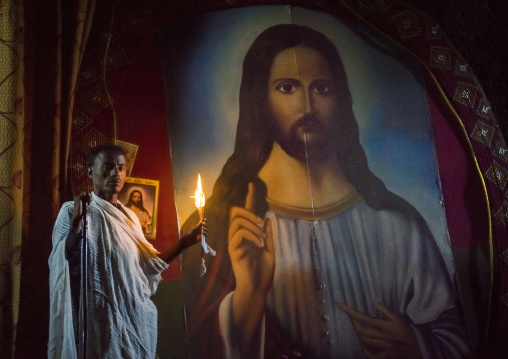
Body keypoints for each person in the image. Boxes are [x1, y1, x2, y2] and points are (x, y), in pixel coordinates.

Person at [180, 24, 473, 358]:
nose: (307, 106)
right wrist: (249, 295)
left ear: (341, 98)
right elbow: (198, 345)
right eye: (287, 88)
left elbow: (456, 340)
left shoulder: (397, 224)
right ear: (259, 101)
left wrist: (417, 346)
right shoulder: (221, 228)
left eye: (321, 88)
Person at [48, 143, 206, 358]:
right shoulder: (72, 210)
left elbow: (148, 266)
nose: (116, 173)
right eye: (108, 167)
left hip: (134, 315)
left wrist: (185, 242)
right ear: (89, 171)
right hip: (98, 320)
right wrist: (76, 228)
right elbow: (63, 264)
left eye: (121, 168)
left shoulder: (130, 217)